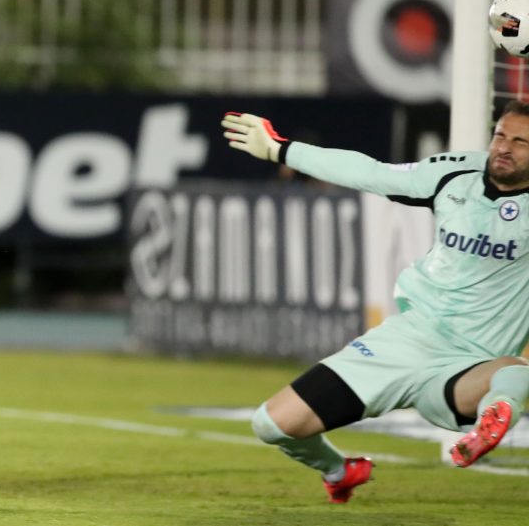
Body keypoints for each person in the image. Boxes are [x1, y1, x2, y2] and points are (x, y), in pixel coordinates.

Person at [221, 105, 529, 504]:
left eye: (521, 142)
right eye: (501, 135)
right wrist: (281, 150)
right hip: (406, 340)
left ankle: (493, 419)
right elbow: (370, 172)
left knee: (512, 371)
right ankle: (339, 471)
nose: (504, 148)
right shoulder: (455, 174)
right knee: (271, 424)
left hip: (469, 367)